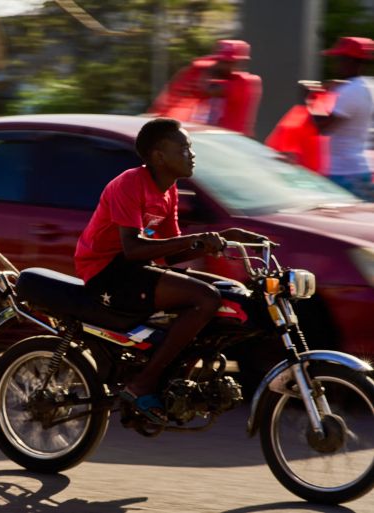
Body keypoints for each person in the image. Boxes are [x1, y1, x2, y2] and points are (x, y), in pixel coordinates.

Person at [74, 117, 265, 424]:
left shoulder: (169, 190)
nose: (192, 155)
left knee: (231, 293)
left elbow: (172, 254)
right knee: (205, 298)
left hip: (135, 268)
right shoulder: (129, 183)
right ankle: (142, 383)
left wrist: (226, 236)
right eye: (184, 148)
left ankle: (175, 379)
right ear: (159, 156)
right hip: (106, 271)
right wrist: (196, 239)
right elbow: (133, 248)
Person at [148, 39, 262, 136]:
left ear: (240, 63)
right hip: (207, 138)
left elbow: (207, 90)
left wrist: (202, 69)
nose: (223, 65)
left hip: (232, 142)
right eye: (220, 61)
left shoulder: (246, 83)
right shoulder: (209, 75)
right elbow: (177, 92)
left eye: (229, 62)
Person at [311, 36, 374, 200]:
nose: (335, 64)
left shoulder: (350, 92)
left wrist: (311, 100)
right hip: (357, 169)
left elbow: (323, 128)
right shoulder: (365, 86)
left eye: (339, 59)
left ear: (351, 62)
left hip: (344, 173)